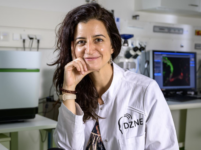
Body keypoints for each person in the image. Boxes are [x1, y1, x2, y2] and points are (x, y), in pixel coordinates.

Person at [50, 2, 178, 150]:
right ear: (73, 48)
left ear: (112, 45)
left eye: (98, 39)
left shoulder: (145, 90)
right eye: (81, 42)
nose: (89, 49)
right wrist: (69, 89)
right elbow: (67, 147)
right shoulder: (73, 90)